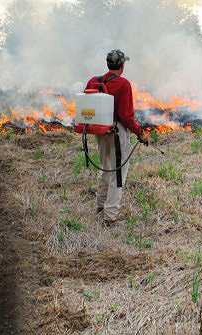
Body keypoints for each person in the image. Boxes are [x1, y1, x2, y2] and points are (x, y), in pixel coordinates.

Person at [84, 49, 148, 226]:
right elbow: (126, 116)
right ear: (122, 65)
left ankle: (100, 206)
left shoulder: (93, 81)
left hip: (99, 131)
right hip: (116, 132)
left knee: (105, 168)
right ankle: (110, 217)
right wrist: (139, 133)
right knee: (117, 173)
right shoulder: (123, 84)